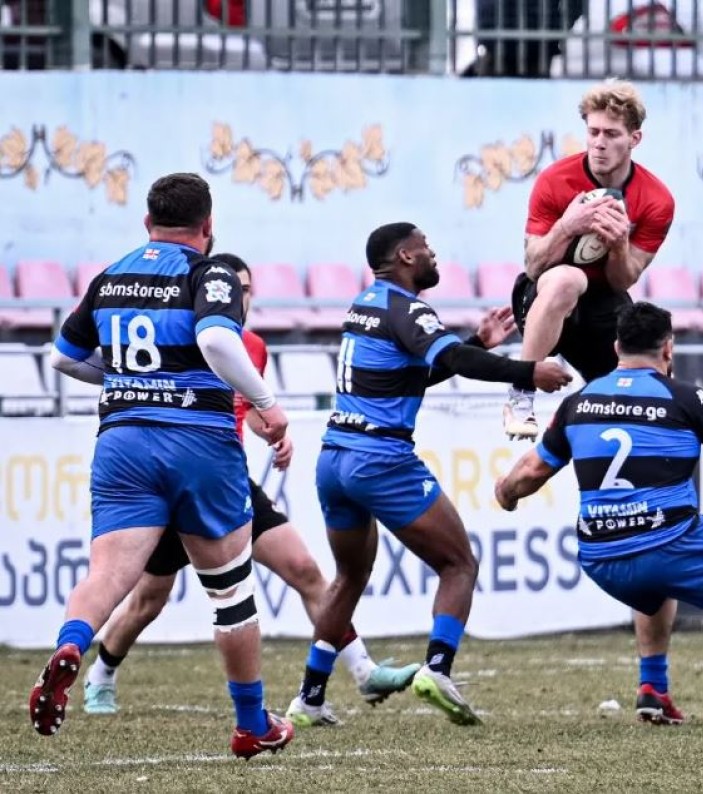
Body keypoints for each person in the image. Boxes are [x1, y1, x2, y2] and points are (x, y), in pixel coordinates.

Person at [79, 253, 431, 722]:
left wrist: (274, 436)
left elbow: (245, 409)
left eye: (247, 290)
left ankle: (363, 670)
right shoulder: (188, 336)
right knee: (149, 600)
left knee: (304, 569)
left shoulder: (252, 347)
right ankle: (101, 673)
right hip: (177, 479)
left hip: (228, 482)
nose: (241, 298)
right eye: (236, 290)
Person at [33, 173, 294, 759]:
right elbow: (219, 342)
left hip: (123, 442)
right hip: (198, 442)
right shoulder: (209, 272)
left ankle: (72, 644)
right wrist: (269, 405)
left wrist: (130, 380)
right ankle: (251, 724)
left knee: (107, 576)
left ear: (147, 223)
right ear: (208, 225)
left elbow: (63, 359)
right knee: (229, 593)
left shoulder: (112, 275)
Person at [287, 222, 572, 728]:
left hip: (334, 459)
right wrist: (528, 371)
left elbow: (410, 374)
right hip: (379, 457)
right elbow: (453, 359)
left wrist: (477, 340)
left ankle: (309, 697)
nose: (433, 254)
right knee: (459, 564)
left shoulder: (364, 305)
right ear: (405, 256)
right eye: (425, 247)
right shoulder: (408, 309)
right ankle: (437, 669)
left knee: (349, 576)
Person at [495, 301, 703, 725]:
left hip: (601, 557)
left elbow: (530, 472)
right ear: (668, 348)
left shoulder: (579, 402)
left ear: (617, 346)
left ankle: (653, 689)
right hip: (670, 544)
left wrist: (505, 493)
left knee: (654, 586)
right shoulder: (688, 398)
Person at [505, 78, 675, 441]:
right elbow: (533, 266)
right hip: (544, 294)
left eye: (611, 134)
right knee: (568, 279)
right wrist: (568, 226)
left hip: (602, 298)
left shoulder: (656, 200)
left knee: (644, 378)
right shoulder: (554, 180)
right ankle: (520, 393)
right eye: (593, 131)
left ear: (634, 138)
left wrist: (619, 244)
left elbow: (622, 281)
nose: (599, 143)